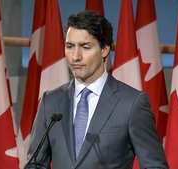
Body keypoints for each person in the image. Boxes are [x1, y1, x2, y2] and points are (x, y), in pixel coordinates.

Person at [25, 10, 168, 169]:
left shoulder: (132, 103)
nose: (75, 56)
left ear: (104, 50)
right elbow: (35, 164)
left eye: (85, 47)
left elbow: (155, 165)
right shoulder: (50, 102)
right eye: (70, 46)